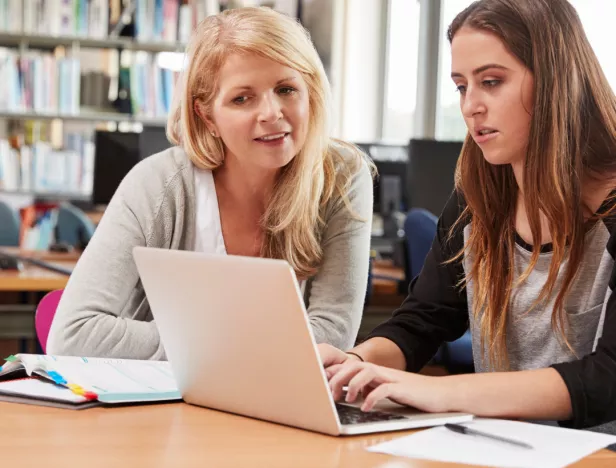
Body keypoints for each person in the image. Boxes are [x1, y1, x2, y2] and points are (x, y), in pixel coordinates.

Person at [321, 0, 616, 432]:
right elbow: (424, 320)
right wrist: (354, 364)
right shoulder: (476, 198)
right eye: (462, 86)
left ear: (557, 82)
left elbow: (607, 379)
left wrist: (437, 393)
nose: (470, 106)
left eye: (491, 82)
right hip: (501, 448)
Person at [47, 7, 374, 359]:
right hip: (158, 402)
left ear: (310, 92)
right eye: (241, 98)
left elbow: (333, 333)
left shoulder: (340, 177)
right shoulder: (157, 185)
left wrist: (201, 343)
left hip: (274, 403)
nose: (271, 113)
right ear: (207, 114)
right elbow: (73, 335)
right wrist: (228, 345)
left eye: (286, 89)